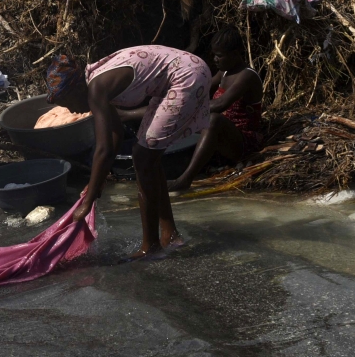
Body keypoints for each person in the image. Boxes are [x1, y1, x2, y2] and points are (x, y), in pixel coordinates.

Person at [48, 45, 212, 260]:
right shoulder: (100, 85)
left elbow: (104, 148)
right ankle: (170, 234)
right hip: (184, 72)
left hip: (187, 75)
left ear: (76, 90)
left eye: (67, 104)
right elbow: (115, 133)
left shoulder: (97, 88)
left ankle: (150, 246)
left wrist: (87, 202)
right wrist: (98, 182)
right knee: (147, 158)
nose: (71, 111)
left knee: (143, 158)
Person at [170, 30, 265, 191]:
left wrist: (189, 109)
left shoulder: (247, 76)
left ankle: (185, 180)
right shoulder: (224, 72)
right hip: (218, 137)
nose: (215, 59)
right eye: (214, 54)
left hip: (242, 141)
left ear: (235, 54)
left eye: (219, 55)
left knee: (213, 119)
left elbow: (221, 104)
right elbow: (202, 89)